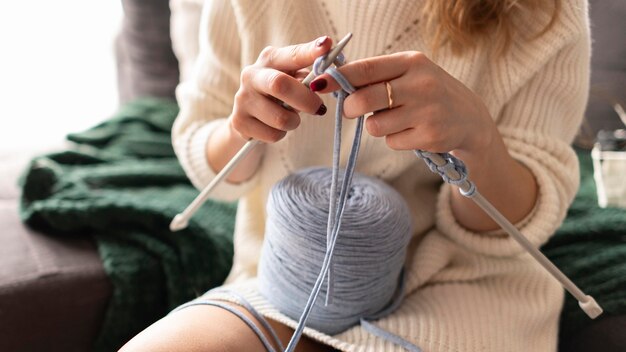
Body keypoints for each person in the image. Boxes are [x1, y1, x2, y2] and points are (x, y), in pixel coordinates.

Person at [121, 0, 590, 351]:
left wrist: (477, 140)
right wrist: (243, 127)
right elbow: (210, 162)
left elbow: (518, 223)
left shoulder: (542, 11)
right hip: (288, 286)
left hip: (464, 298)